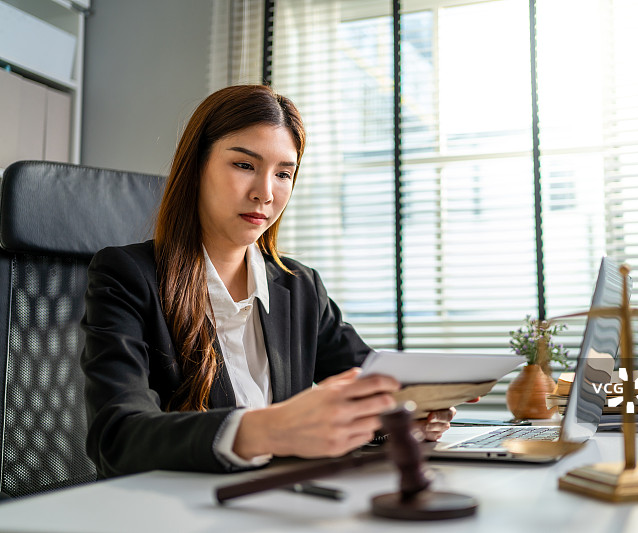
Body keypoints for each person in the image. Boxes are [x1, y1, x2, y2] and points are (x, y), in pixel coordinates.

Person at [81, 84, 455, 478]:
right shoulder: (128, 276)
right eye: (244, 165)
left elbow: (370, 384)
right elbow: (116, 436)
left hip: (282, 500)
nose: (265, 193)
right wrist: (271, 429)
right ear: (196, 167)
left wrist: (405, 414)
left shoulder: (299, 287)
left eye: (283, 173)